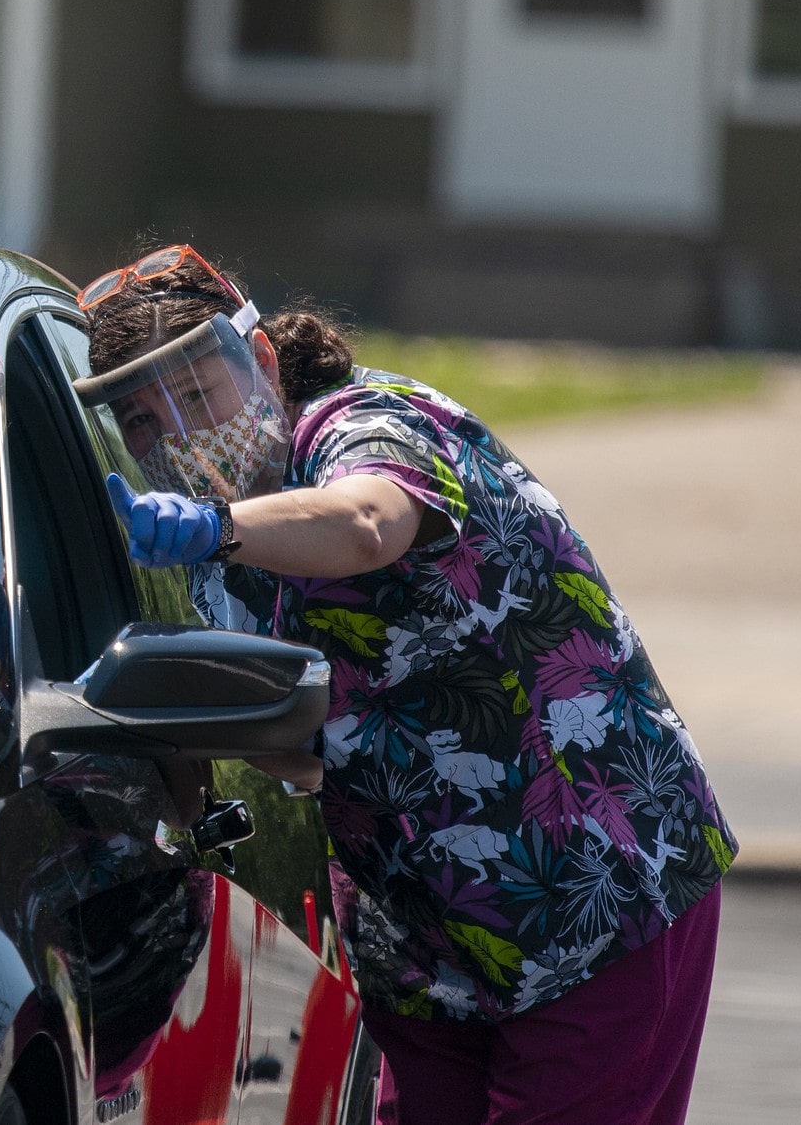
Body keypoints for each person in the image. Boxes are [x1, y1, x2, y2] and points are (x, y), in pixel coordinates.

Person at [74, 244, 732, 1125]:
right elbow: (302, 753)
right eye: (142, 420)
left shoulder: (365, 423)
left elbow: (366, 520)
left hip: (595, 900)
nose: (179, 435)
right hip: (427, 946)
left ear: (261, 359)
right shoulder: (214, 559)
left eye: (196, 393)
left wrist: (215, 525)